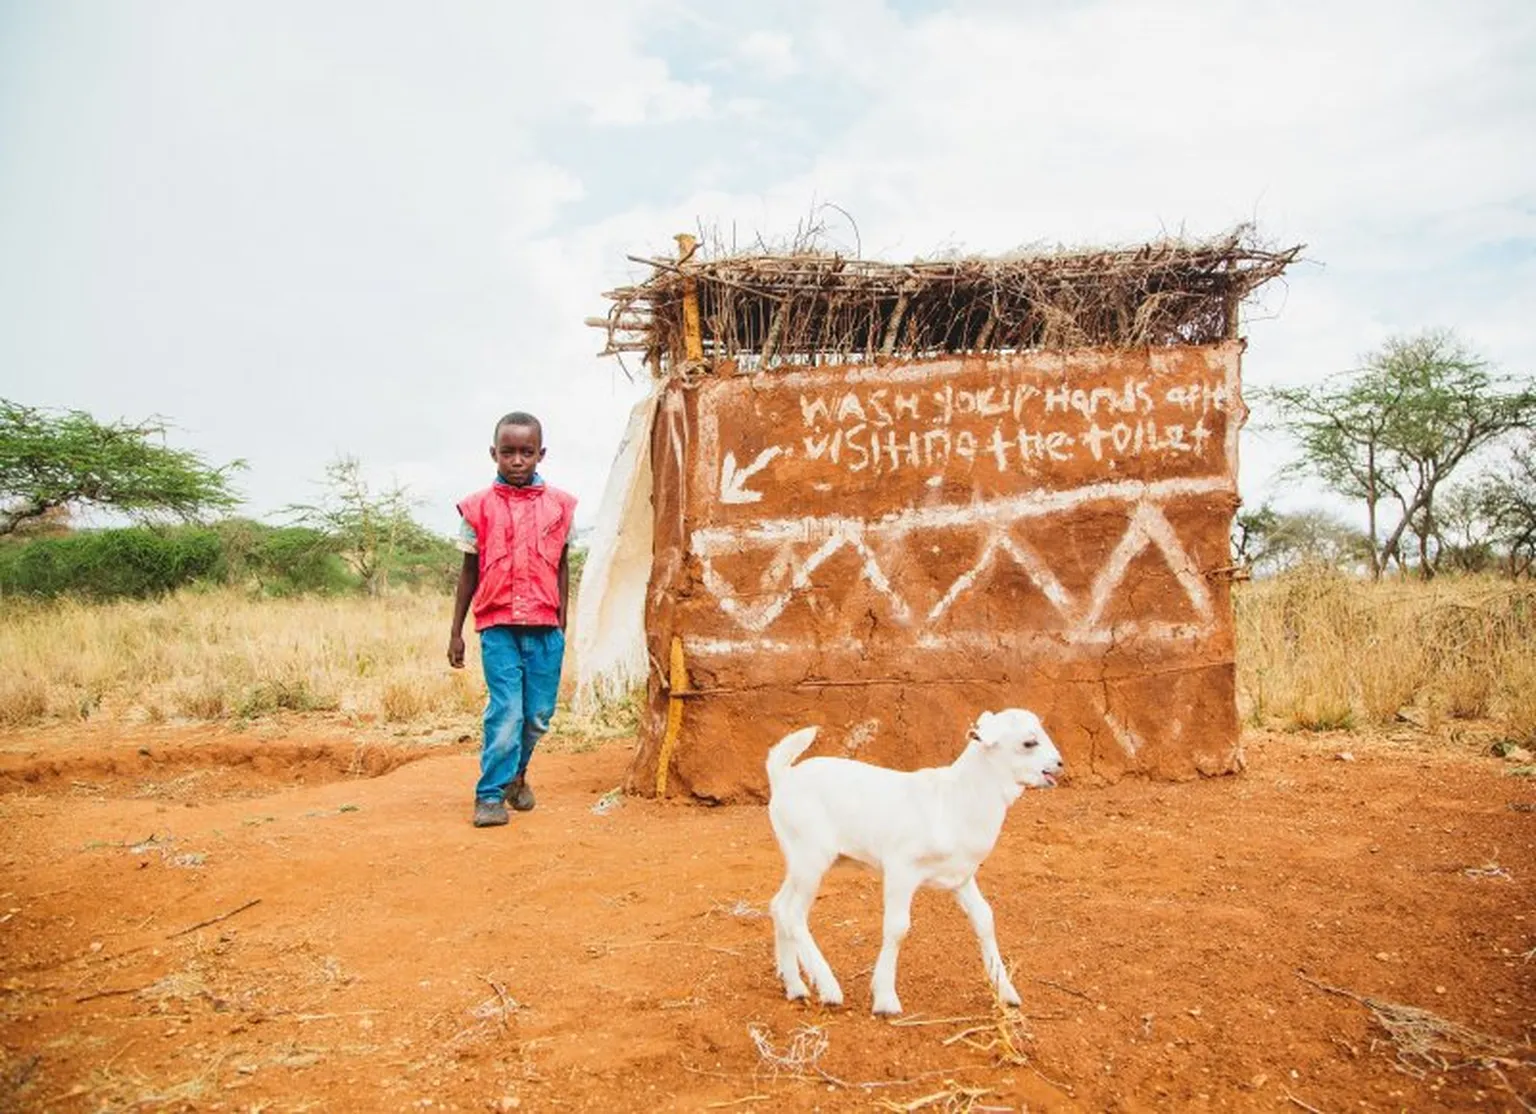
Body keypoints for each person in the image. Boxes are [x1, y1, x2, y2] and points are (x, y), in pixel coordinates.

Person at [448, 411, 576, 828]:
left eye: (526, 452)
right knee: (506, 712)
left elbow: (562, 567)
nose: (517, 461)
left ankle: (517, 777)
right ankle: (488, 795)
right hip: (498, 626)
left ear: (541, 453)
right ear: (493, 454)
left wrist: (562, 623)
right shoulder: (477, 508)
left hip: (544, 627)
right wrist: (456, 633)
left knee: (538, 715)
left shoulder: (561, 507)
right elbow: (468, 573)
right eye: (508, 452)